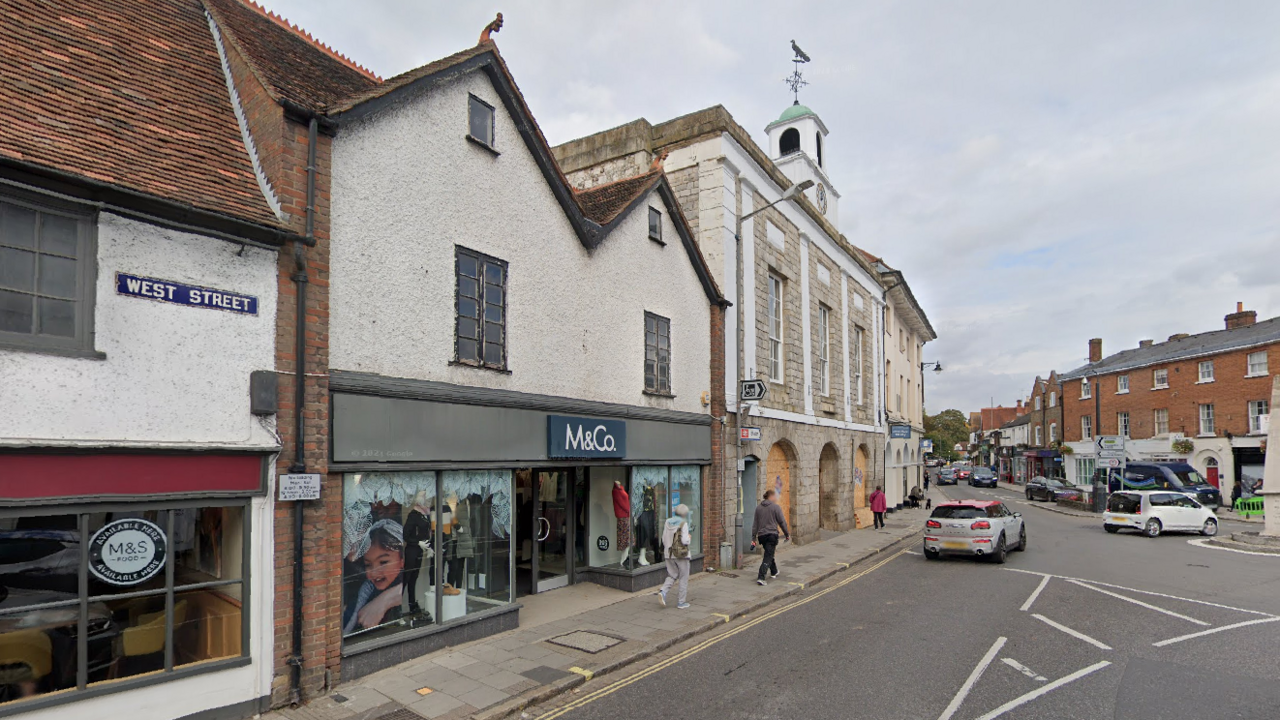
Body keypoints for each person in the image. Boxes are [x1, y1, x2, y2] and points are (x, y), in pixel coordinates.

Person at [343, 519, 406, 634]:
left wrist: (384, 601)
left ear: (402, 560)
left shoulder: (410, 578)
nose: (374, 572)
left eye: (383, 562)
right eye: (368, 565)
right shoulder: (367, 587)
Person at [657, 504, 693, 609]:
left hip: (668, 553)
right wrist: (689, 537)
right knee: (683, 577)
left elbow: (663, 539)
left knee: (672, 575)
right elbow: (685, 540)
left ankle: (663, 592)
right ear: (684, 514)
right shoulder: (683, 523)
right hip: (681, 554)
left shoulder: (667, 522)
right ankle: (681, 602)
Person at [751, 490, 790, 586]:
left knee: (769, 552)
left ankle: (774, 571)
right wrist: (787, 534)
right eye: (774, 496)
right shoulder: (775, 507)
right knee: (768, 555)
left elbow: (755, 525)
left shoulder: (758, 508)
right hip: (772, 535)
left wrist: (753, 538)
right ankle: (761, 576)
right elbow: (782, 522)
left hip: (762, 536)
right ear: (770, 497)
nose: (776, 498)